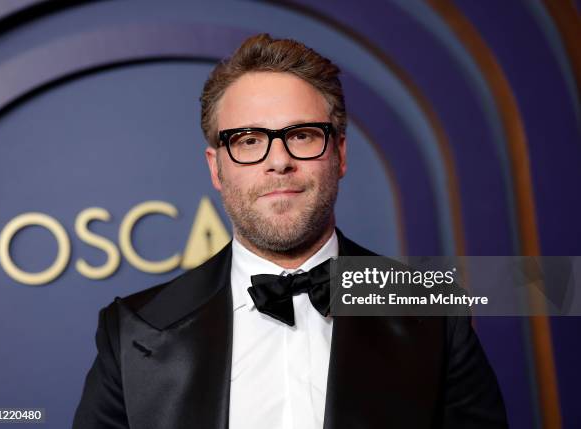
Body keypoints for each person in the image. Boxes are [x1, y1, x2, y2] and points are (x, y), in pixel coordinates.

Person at [73, 33, 508, 429]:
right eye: (247, 140)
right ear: (216, 168)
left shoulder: (432, 312)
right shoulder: (132, 329)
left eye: (300, 135)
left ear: (339, 153)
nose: (278, 160)